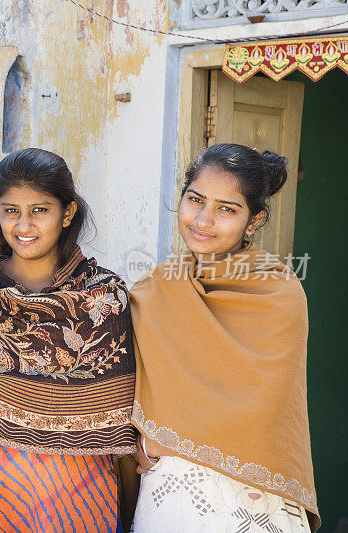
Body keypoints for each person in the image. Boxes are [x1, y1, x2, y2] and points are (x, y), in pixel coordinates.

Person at [0, 148, 138, 533]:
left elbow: (117, 431)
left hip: (76, 496)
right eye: (10, 210)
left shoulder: (104, 299)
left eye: (40, 210)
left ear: (67, 213)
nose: (23, 225)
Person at [129, 143, 320, 532]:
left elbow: (266, 405)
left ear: (254, 220)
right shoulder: (157, 286)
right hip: (171, 491)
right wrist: (145, 441)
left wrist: (164, 440)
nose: (202, 219)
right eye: (195, 199)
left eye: (226, 209)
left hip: (247, 492)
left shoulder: (278, 292)